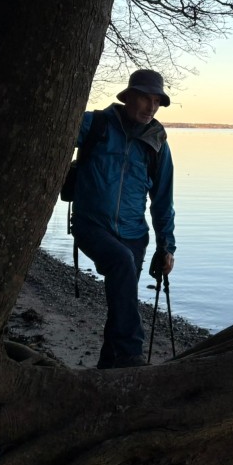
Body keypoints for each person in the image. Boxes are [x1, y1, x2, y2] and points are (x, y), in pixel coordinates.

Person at [71, 69, 176, 369]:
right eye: (145, 98)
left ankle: (107, 372)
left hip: (134, 235)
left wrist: (166, 246)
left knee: (122, 302)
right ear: (128, 96)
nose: (151, 107)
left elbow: (163, 201)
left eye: (157, 102)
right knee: (120, 263)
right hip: (91, 226)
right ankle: (131, 354)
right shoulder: (96, 124)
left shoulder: (157, 144)